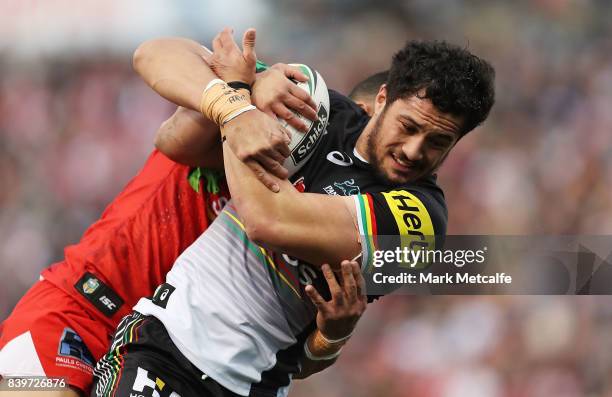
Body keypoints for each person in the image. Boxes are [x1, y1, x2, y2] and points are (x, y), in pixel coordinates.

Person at [90, 28, 495, 397]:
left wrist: (238, 103)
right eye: (407, 126)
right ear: (383, 99)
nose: (413, 150)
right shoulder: (317, 107)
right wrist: (233, 97)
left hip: (256, 386)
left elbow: (268, 220)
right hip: (169, 348)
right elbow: (155, 59)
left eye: (438, 142)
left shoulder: (420, 222)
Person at [0, 49, 388, 396]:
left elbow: (294, 361)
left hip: (167, 358)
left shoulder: (334, 228)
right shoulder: (268, 101)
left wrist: (332, 338)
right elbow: (152, 55)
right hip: (78, 310)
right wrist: (233, 104)